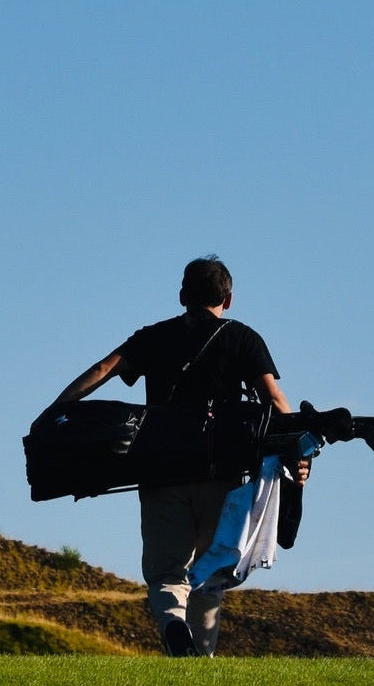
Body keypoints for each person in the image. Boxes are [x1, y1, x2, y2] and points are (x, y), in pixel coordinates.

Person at [38, 255, 310, 657]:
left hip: (160, 470)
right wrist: (299, 449)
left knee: (167, 572)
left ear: (183, 295)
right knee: (210, 572)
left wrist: (52, 412)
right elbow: (274, 398)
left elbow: (104, 368)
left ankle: (171, 624)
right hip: (223, 473)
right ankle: (200, 660)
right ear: (229, 299)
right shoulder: (243, 337)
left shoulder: (154, 337)